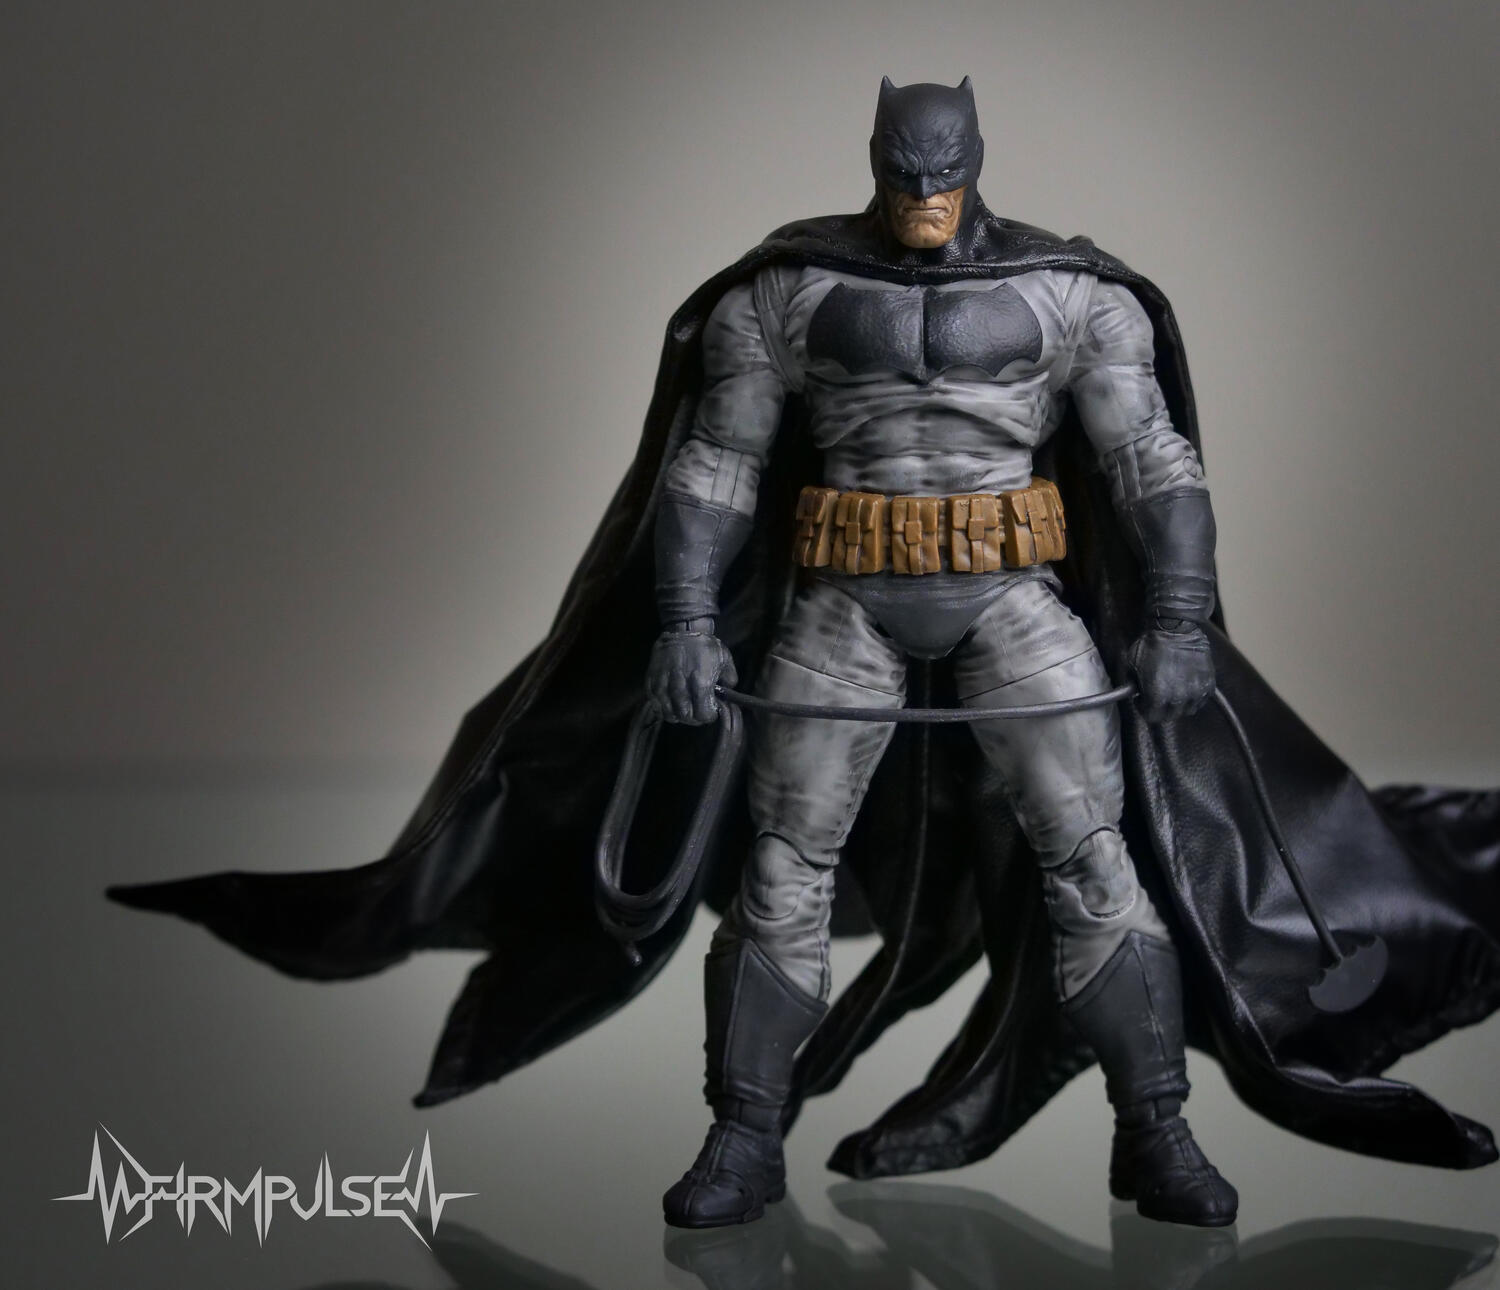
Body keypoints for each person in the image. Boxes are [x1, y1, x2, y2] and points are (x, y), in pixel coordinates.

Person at [648, 77, 1232, 1229]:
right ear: (874, 155)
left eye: (943, 171)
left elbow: (1152, 465)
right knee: (782, 868)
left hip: (1012, 592)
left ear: (976, 156)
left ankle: (1156, 1129)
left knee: (1095, 861)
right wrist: (683, 619)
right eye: (904, 171)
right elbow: (718, 462)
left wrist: (1177, 618)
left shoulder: (1069, 292)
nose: (924, 193)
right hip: (846, 596)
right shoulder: (787, 290)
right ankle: (743, 1137)